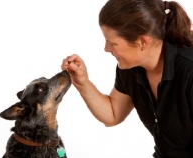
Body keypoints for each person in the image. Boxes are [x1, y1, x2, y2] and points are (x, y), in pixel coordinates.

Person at [61, 0, 193, 157]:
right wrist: (82, 83)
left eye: (112, 43)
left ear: (142, 42)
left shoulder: (189, 69)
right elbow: (113, 114)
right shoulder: (130, 69)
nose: (106, 49)